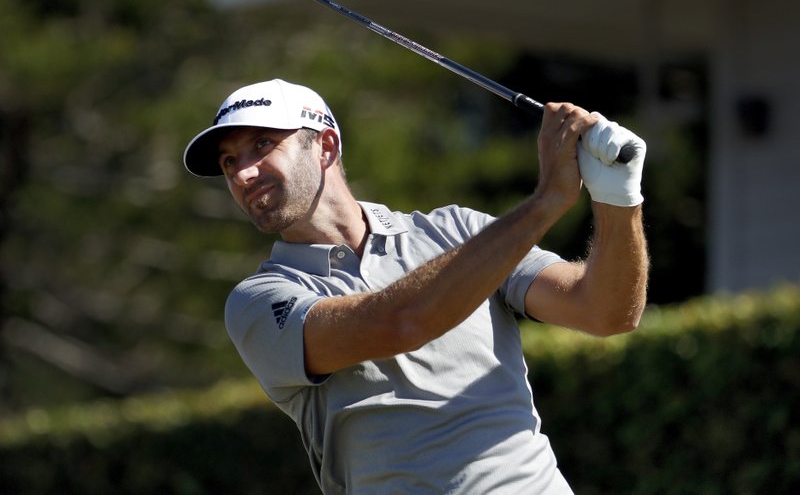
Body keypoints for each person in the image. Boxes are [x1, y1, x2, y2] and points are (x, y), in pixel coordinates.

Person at [183, 78, 649, 494]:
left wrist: (617, 200)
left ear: (324, 146)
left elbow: (604, 312)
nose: (242, 174)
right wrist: (546, 202)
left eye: (262, 145)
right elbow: (401, 323)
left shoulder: (460, 231)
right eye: (229, 161)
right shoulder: (260, 300)